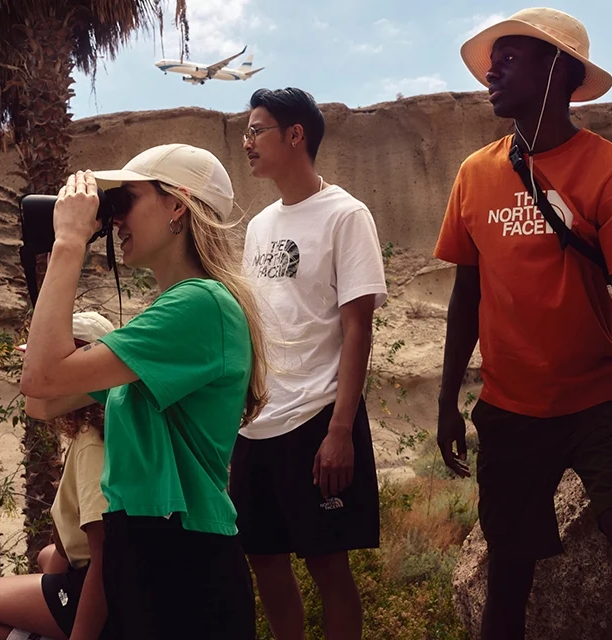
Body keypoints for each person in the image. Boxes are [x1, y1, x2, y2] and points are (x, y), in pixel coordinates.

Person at [434, 8, 612, 639]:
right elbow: (466, 294)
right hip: (509, 411)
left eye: (509, 59)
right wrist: (449, 398)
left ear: (559, 70)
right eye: (493, 60)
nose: (491, 72)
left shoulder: (611, 172)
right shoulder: (474, 174)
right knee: (506, 578)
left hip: (599, 403)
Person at [18, 144, 268, 640]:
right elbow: (42, 401)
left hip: (183, 559)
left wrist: (69, 244)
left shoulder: (201, 305)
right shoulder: (172, 312)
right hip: (153, 552)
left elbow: (41, 377)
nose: (114, 222)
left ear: (178, 205)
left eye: (125, 201)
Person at [231, 87, 387, 640]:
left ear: (295, 135)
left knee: (327, 564)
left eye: (257, 130)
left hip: (319, 417)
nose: (246, 142)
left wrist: (341, 430)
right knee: (263, 557)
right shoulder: (258, 227)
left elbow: (357, 327)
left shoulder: (346, 215)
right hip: (258, 423)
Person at [0, 312, 116, 640]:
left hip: (103, 588)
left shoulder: (94, 443)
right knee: (48, 556)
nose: (30, 378)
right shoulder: (96, 424)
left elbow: (105, 556)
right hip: (103, 575)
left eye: (41, 365)